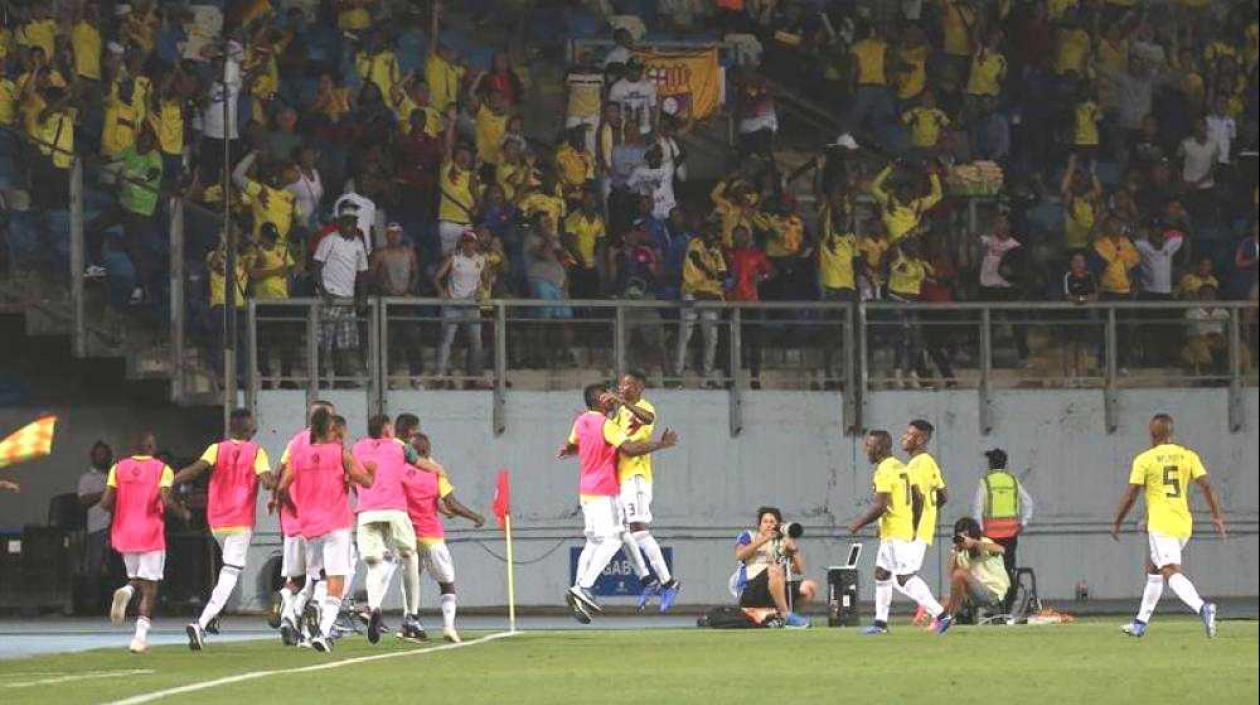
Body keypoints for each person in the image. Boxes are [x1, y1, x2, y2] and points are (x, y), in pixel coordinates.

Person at [557, 383, 678, 623]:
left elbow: (572, 444)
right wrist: (661, 444)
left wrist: (569, 450)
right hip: (605, 491)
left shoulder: (580, 422)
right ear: (602, 400)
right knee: (613, 539)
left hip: (586, 492)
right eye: (609, 395)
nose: (613, 397)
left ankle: (581, 588)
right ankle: (583, 587)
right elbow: (630, 449)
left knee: (595, 541)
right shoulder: (607, 425)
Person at [1111, 414, 1225, 639]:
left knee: (1169, 570)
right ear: (1171, 433)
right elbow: (1207, 486)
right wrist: (1217, 516)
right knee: (1154, 570)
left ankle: (1203, 607)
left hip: (1161, 524)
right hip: (1183, 524)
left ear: (1152, 433)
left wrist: (1117, 521)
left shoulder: (1145, 459)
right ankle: (1140, 623)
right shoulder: (1188, 456)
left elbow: (1132, 495)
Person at [277, 407, 375, 652]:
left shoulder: (298, 454)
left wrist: (296, 509)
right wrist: (370, 469)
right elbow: (366, 481)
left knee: (316, 577)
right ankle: (322, 630)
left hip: (309, 528)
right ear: (331, 429)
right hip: (336, 525)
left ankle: (302, 610)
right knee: (336, 580)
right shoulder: (340, 453)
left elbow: (281, 488)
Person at [175, 409, 274, 649]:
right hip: (240, 521)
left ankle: (212, 617)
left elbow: (195, 470)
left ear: (230, 427)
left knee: (226, 568)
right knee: (230, 572)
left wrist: (169, 481)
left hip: (217, 521)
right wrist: (276, 481)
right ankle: (201, 623)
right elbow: (267, 481)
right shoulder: (257, 452)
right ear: (251, 429)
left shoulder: (216, 449)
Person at [97, 431, 190, 653]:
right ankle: (139, 637)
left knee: (137, 577)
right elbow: (165, 499)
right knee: (150, 588)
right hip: (150, 532)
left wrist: (124, 507)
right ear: (152, 447)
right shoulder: (162, 469)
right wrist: (182, 512)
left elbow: (105, 502)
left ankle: (128, 590)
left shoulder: (117, 468)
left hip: (124, 532)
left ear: (133, 447)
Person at [609, 371, 681, 612]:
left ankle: (668, 582)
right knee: (620, 532)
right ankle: (648, 580)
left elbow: (647, 420)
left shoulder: (643, 407)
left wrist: (622, 402)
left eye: (627, 384)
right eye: (620, 385)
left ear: (639, 387)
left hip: (636, 478)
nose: (622, 388)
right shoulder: (621, 411)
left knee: (639, 530)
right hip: (621, 479)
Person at [401, 432, 484, 643]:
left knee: (411, 580)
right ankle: (448, 627)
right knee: (447, 583)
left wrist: (442, 509)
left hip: (408, 535)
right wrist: (474, 516)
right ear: (427, 451)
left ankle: (409, 622)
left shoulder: (401, 471)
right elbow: (451, 502)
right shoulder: (435, 472)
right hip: (431, 536)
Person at [350, 414, 420, 644]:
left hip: (367, 510)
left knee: (375, 563)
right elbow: (418, 460)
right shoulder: (398, 446)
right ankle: (412, 616)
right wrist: (438, 469)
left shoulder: (357, 447)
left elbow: (352, 478)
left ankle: (374, 607)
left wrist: (362, 496)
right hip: (395, 509)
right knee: (410, 557)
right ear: (387, 429)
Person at [847, 430, 920, 634]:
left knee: (904, 578)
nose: (866, 450)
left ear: (879, 448)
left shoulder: (884, 469)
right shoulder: (900, 466)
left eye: (869, 446)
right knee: (882, 573)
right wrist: (913, 524)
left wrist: (858, 523)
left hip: (896, 531)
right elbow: (917, 499)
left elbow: (880, 505)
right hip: (897, 529)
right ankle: (880, 624)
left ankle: (941, 614)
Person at [901, 418, 952, 632]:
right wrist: (929, 517)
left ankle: (941, 615)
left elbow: (918, 498)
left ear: (920, 439)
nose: (904, 437)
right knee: (895, 576)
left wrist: (912, 526)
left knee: (901, 577)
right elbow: (943, 495)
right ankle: (939, 614)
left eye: (909, 434)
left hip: (913, 530)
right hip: (921, 528)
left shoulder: (919, 463)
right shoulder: (927, 461)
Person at [971, 448, 1034, 609]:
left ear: (990, 464)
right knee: (1008, 569)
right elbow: (1028, 503)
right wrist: (1023, 523)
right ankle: (1009, 604)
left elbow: (977, 510)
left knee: (991, 571)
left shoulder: (986, 482)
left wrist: (979, 531)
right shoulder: (1012, 481)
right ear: (1005, 464)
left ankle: (995, 605)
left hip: (991, 535)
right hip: (1011, 535)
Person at [734, 506, 816, 629]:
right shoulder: (749, 536)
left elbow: (799, 570)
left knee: (809, 586)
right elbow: (740, 555)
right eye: (765, 521)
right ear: (759, 525)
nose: (768, 525)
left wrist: (793, 549)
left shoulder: (782, 542)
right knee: (775, 569)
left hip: (776, 587)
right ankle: (785, 615)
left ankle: (786, 616)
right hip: (751, 588)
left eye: (772, 522)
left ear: (778, 525)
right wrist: (765, 539)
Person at [313, 207, 369, 385]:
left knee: (345, 344)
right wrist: (323, 292)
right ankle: (320, 379)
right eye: (347, 221)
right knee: (323, 342)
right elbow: (316, 266)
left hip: (348, 300)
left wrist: (362, 297)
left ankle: (342, 379)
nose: (350, 225)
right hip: (330, 297)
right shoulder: (329, 240)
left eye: (353, 221)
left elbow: (363, 273)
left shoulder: (359, 244)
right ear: (340, 222)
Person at [433, 231, 486, 384]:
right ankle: (440, 373)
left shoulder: (481, 260)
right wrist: (442, 292)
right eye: (465, 242)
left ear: (475, 244)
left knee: (476, 341)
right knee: (446, 339)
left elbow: (485, 279)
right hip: (453, 305)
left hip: (471, 305)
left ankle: (475, 375)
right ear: (462, 243)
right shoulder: (454, 258)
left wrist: (480, 292)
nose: (468, 245)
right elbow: (437, 277)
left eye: (471, 242)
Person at [676, 222, 726, 383]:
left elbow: (722, 274)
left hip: (709, 296)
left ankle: (707, 375)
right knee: (685, 335)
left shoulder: (716, 251)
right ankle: (677, 374)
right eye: (709, 232)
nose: (712, 235)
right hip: (692, 294)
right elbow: (696, 261)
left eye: (715, 233)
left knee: (711, 337)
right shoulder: (695, 244)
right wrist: (711, 273)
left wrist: (715, 261)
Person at [943, 517, 1010, 619]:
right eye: (960, 537)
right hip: (975, 594)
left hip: (994, 593)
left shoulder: (984, 542)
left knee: (960, 574)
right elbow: (951, 575)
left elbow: (1001, 549)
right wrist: (953, 552)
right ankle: (939, 622)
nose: (964, 540)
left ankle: (949, 618)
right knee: (946, 600)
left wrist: (974, 543)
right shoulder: (962, 554)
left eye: (966, 536)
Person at [78, 441, 114, 611]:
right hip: (98, 527)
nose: (102, 457)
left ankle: (116, 605)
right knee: (95, 566)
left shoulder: (116, 476)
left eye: (104, 454)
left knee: (118, 567)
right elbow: (83, 500)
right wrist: (106, 493)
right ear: (93, 457)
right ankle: (92, 604)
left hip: (118, 527)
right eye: (99, 454)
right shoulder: (87, 478)